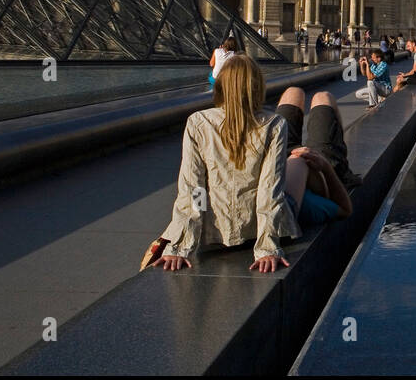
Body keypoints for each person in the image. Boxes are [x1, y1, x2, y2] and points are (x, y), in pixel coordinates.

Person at [145, 58, 351, 273]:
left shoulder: (198, 122)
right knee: (299, 157)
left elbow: (193, 189)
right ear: (258, 88)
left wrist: (180, 246)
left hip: (213, 231)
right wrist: (266, 247)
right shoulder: (273, 124)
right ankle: (339, 171)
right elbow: (269, 190)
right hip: (258, 227)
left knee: (293, 96)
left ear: (219, 86)